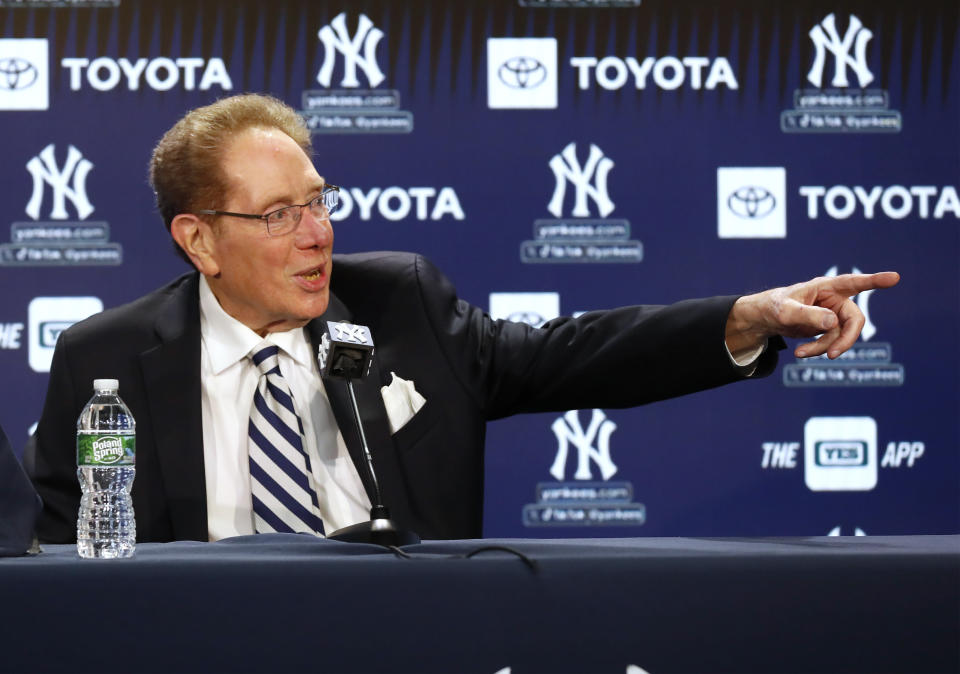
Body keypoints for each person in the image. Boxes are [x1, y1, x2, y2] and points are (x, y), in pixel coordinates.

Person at [27, 94, 899, 543]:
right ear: (199, 240)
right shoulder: (107, 359)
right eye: (279, 215)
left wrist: (744, 317)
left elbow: (573, 356)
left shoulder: (399, 306)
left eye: (319, 202)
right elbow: (70, 559)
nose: (318, 235)